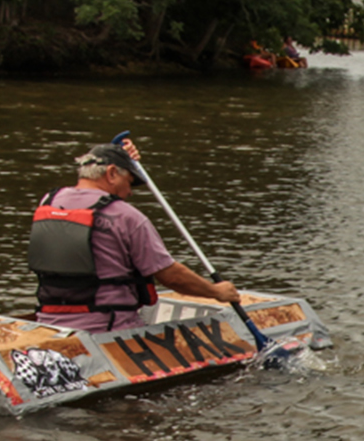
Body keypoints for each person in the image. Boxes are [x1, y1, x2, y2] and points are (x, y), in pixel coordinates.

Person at [29, 139, 239, 332]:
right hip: (110, 327)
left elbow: (93, 177)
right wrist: (216, 292)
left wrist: (116, 152)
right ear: (111, 173)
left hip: (49, 322)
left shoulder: (49, 201)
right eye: (129, 182)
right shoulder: (127, 217)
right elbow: (171, 276)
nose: (130, 192)